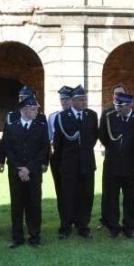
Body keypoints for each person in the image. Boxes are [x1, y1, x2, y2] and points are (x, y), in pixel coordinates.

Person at [2, 95, 51, 248]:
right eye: (33, 108)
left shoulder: (41, 127)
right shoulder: (12, 126)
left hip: (33, 172)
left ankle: (35, 236)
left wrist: (28, 168)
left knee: (34, 204)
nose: (36, 111)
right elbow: (7, 149)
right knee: (17, 204)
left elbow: (44, 150)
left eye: (37, 108)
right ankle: (17, 237)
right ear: (23, 110)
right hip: (16, 172)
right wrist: (20, 168)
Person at [52, 84, 98, 239]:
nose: (84, 102)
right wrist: (59, 163)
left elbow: (94, 137)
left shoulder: (91, 115)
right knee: (67, 195)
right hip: (68, 163)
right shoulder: (62, 117)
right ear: (72, 101)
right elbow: (58, 142)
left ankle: (83, 225)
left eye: (85, 99)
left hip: (86, 162)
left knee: (86, 195)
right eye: (80, 99)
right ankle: (65, 226)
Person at [99, 92, 134, 238]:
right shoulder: (109, 117)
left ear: (130, 105)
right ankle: (113, 227)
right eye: (117, 105)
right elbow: (104, 137)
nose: (119, 109)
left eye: (122, 106)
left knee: (130, 196)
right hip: (112, 163)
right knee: (111, 196)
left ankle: (129, 226)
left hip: (130, 164)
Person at [99, 83, 129, 230]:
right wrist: (113, 148)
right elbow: (103, 136)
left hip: (128, 160)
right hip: (111, 159)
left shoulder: (130, 112)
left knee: (128, 193)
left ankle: (128, 222)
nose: (118, 96)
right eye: (116, 94)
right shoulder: (107, 113)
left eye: (121, 93)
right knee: (110, 192)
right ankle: (109, 220)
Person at [47, 86, 74, 224]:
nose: (64, 102)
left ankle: (76, 218)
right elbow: (49, 138)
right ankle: (64, 219)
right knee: (61, 189)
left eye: (67, 99)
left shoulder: (77, 115)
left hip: (73, 157)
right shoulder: (53, 117)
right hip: (58, 158)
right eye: (62, 99)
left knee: (75, 190)